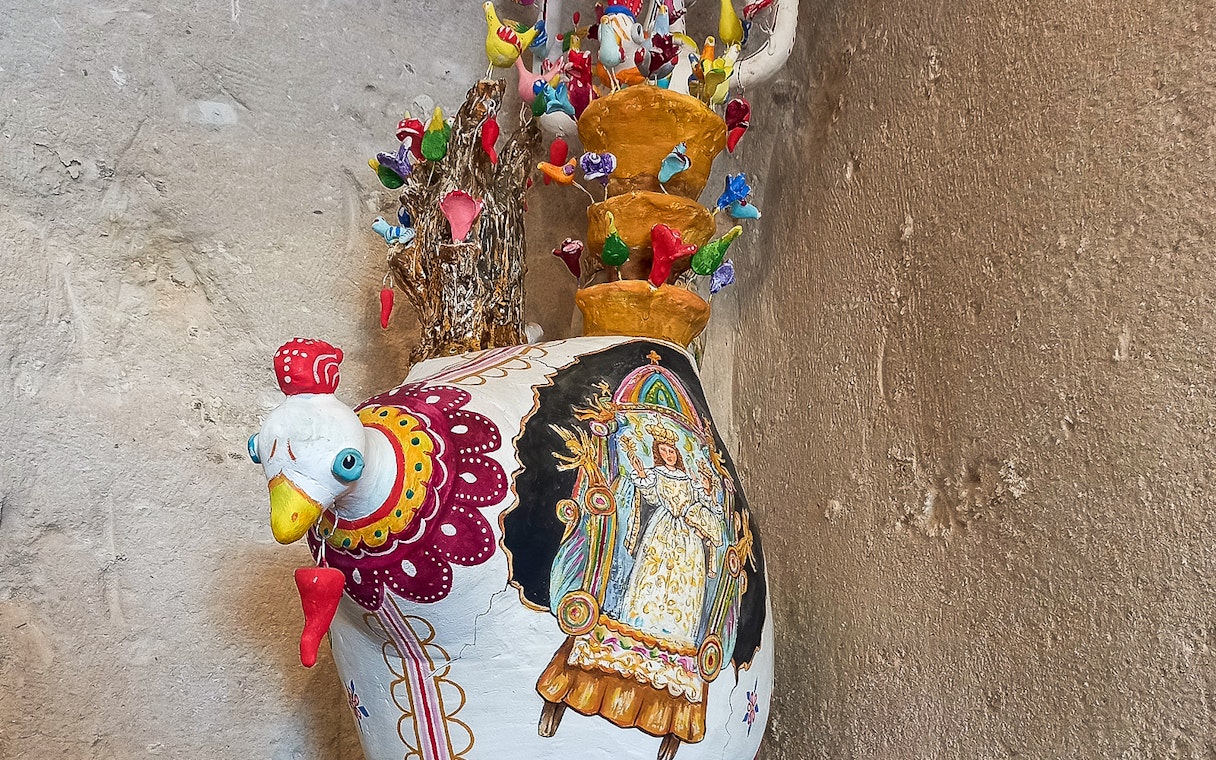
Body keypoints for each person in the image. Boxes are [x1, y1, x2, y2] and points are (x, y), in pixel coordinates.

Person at [618, 421, 725, 647]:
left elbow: (703, 503)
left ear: (677, 453)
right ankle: (644, 625)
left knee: (685, 578)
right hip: (662, 529)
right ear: (658, 452)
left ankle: (680, 632)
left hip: (688, 535)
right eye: (663, 451)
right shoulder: (656, 474)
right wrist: (639, 473)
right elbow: (652, 498)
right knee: (655, 575)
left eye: (671, 451)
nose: (668, 455)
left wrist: (707, 492)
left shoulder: (689, 480)